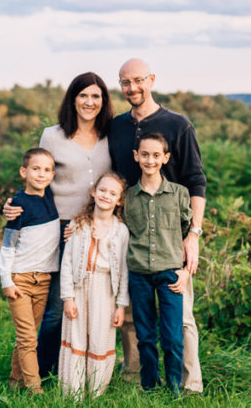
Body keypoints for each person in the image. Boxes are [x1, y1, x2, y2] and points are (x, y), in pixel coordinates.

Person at [2, 72, 114, 377]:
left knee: (90, 304)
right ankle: (40, 368)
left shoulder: (110, 134)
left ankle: (83, 367)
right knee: (55, 308)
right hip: (61, 229)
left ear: (103, 101)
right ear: (72, 99)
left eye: (96, 96)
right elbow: (37, 177)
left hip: (97, 229)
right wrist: (14, 205)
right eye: (83, 95)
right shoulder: (52, 135)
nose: (89, 102)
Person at [109, 57, 205, 393]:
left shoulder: (178, 125)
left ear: (151, 79)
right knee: (135, 320)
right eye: (125, 82)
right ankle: (138, 379)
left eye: (138, 80)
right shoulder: (117, 127)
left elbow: (196, 181)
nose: (132, 88)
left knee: (180, 318)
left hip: (171, 236)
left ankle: (188, 385)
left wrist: (193, 234)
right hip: (134, 230)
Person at [125, 132, 192, 395]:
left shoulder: (179, 194)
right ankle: (149, 385)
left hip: (170, 275)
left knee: (173, 336)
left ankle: (174, 387)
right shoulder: (128, 197)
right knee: (145, 336)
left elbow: (188, 235)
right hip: (139, 273)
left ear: (165, 158)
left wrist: (186, 272)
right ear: (136, 156)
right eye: (144, 154)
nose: (149, 160)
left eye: (155, 155)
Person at [58, 172, 130, 400]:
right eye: (102, 190)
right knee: (76, 336)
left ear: (119, 200)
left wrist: (121, 305)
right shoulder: (78, 224)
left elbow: (125, 271)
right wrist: (68, 296)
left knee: (100, 338)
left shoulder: (121, 231)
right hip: (79, 287)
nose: (106, 196)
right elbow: (67, 262)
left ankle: (96, 393)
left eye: (112, 193)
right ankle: (73, 393)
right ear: (93, 192)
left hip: (105, 289)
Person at [0, 148, 60, 394]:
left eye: (46, 170)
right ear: (24, 172)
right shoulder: (18, 205)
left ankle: (15, 382)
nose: (41, 174)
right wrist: (6, 280)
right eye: (35, 169)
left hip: (43, 280)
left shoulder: (51, 199)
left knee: (28, 336)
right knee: (28, 339)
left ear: (53, 175)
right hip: (20, 280)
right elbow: (7, 247)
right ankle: (35, 389)